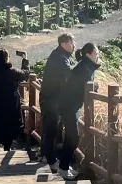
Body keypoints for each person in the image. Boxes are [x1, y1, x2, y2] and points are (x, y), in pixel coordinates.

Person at [57, 41, 100, 176]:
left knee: (71, 136)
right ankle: (63, 168)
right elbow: (84, 85)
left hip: (70, 104)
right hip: (68, 105)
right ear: (88, 54)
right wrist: (94, 87)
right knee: (73, 137)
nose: (98, 55)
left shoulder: (86, 66)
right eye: (96, 53)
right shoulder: (83, 68)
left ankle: (64, 166)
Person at [38, 33, 75, 167]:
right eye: (71, 43)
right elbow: (70, 73)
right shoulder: (60, 58)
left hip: (51, 98)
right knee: (51, 129)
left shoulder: (59, 55)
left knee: (51, 129)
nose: (74, 45)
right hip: (51, 99)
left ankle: (46, 155)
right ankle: (51, 160)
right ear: (63, 44)